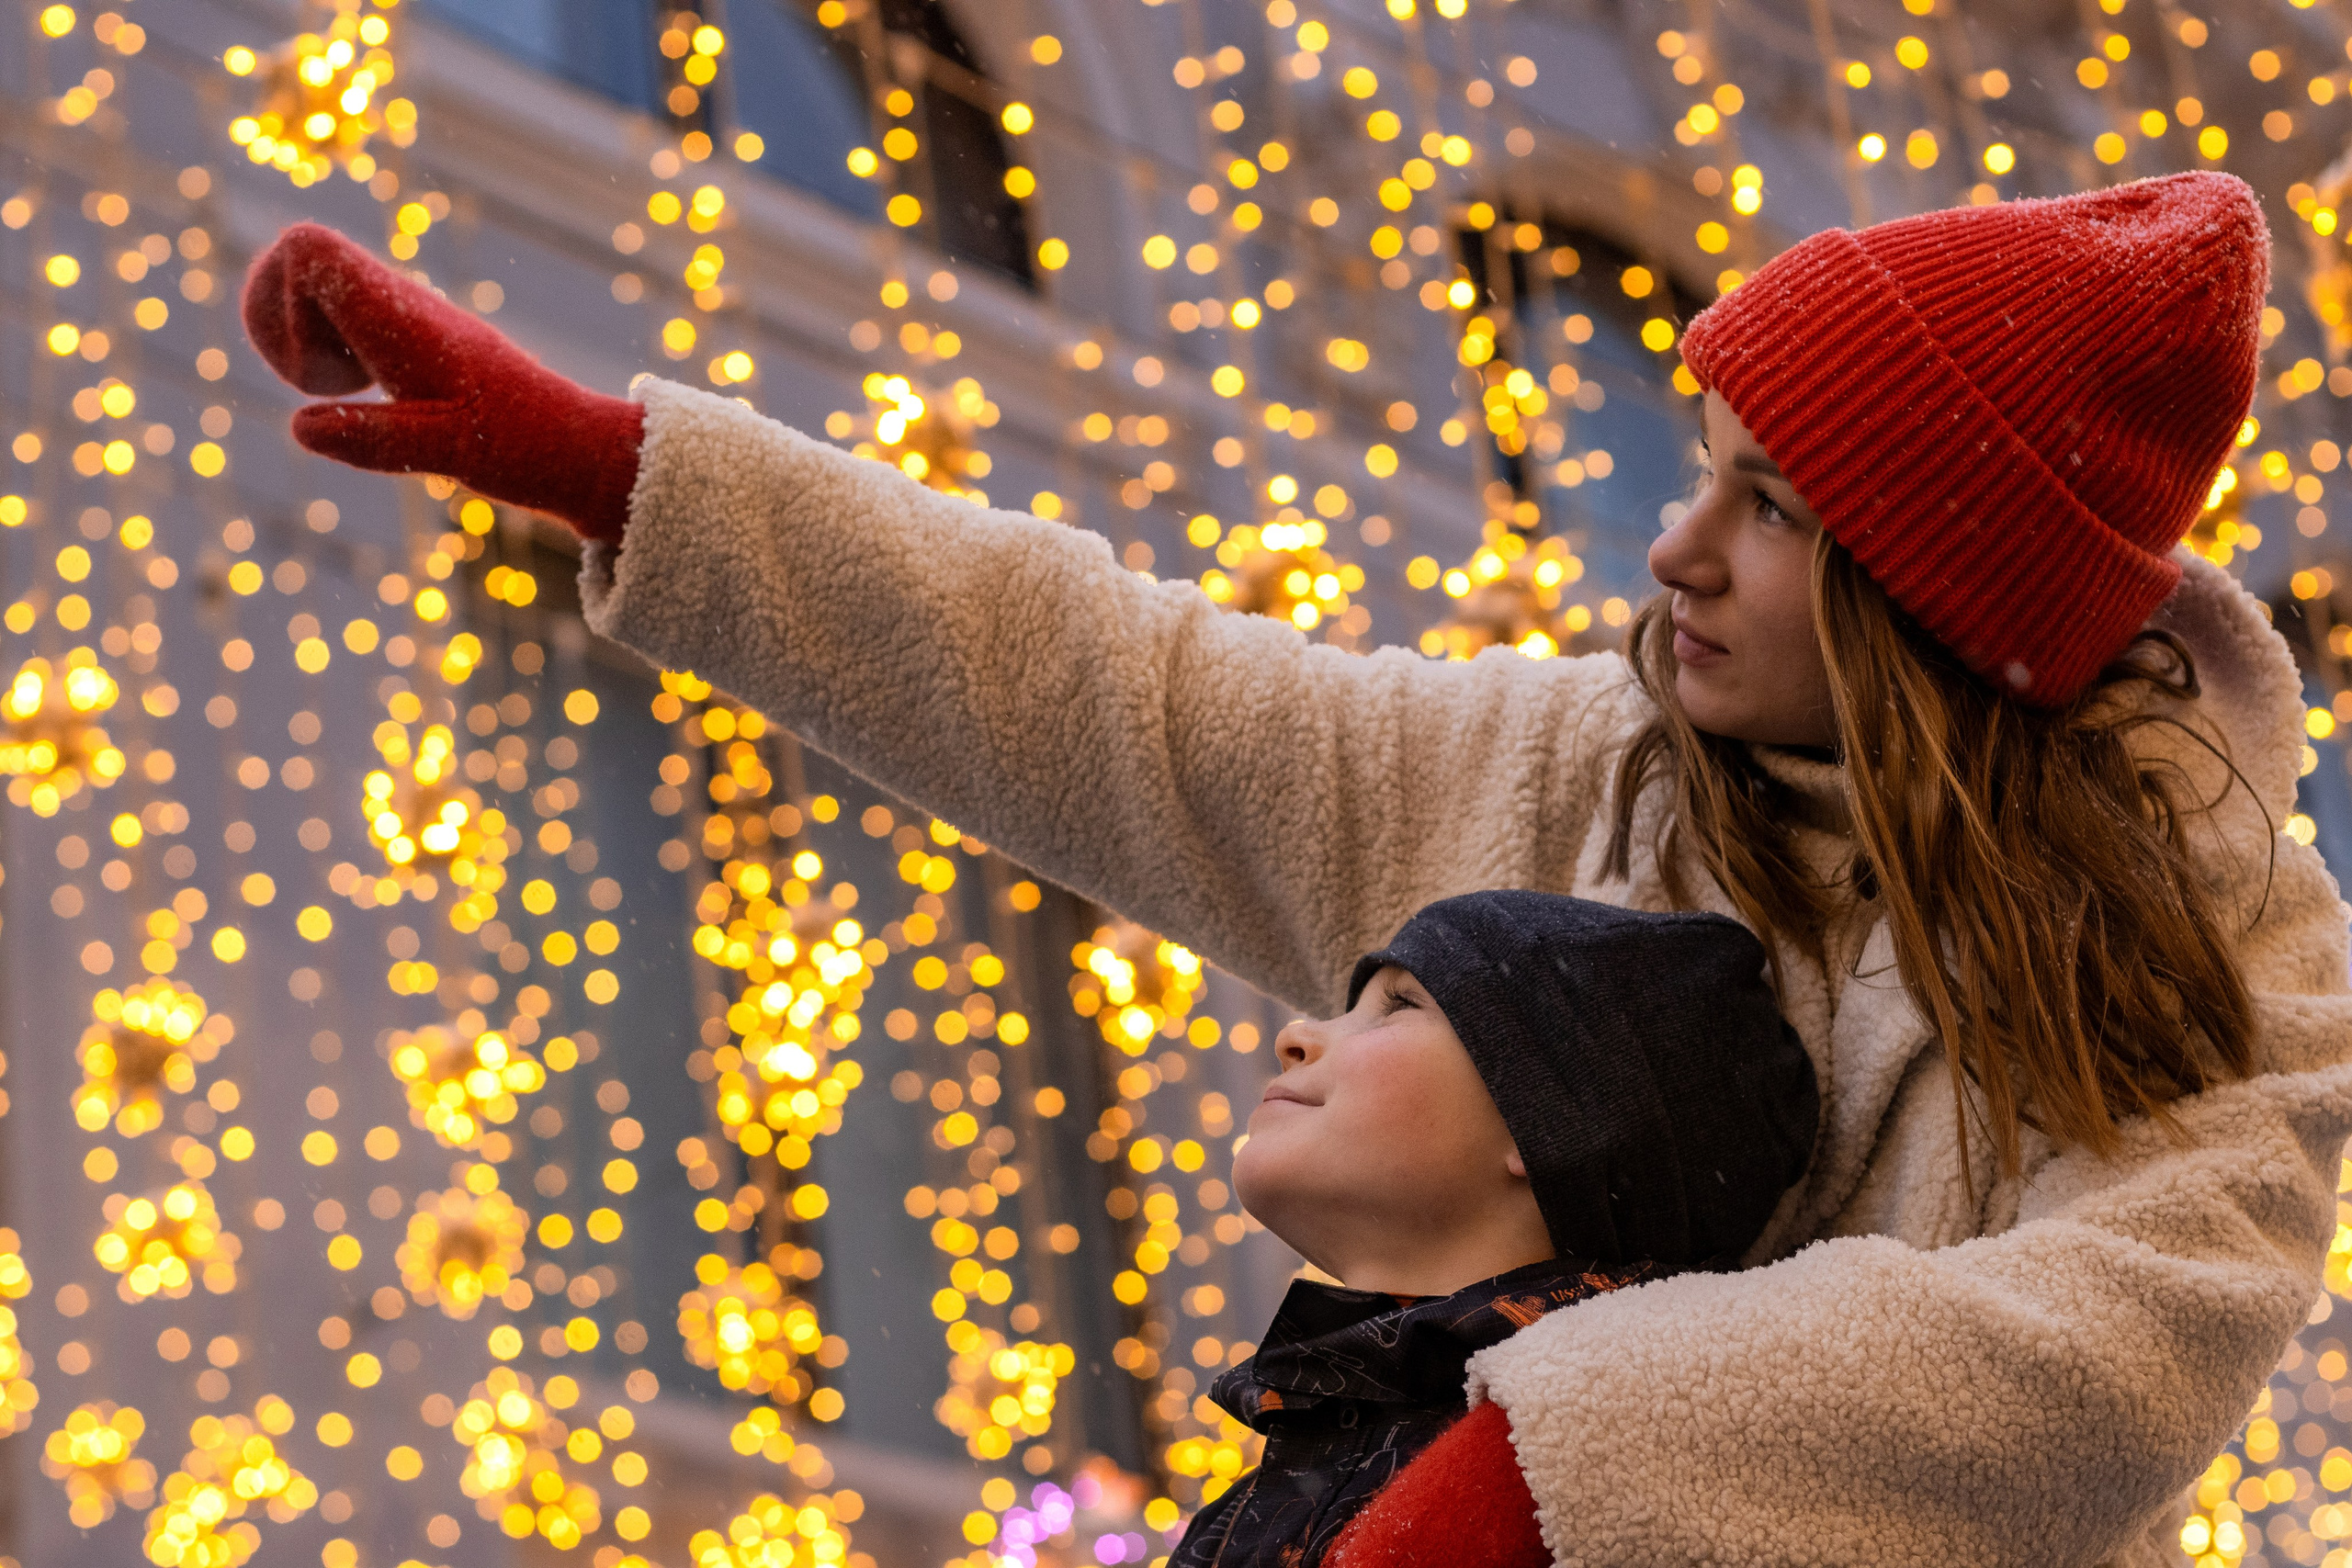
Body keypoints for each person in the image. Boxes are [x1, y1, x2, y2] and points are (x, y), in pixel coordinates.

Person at [240, 169, 2352, 1565]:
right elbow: (1119, 689)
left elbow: (2103, 1334)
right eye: (1694, 465)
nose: (1671, 544)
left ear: (1925, 593)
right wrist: (600, 462)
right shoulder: (1578, 754)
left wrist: (1546, 1461)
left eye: (1771, 508)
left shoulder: (2215, 937)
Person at [1182, 890, 1817, 1568]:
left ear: (1552, 1126)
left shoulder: (1573, 1463)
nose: (1294, 1034)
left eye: (1399, 1004)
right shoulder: (1260, 1494)